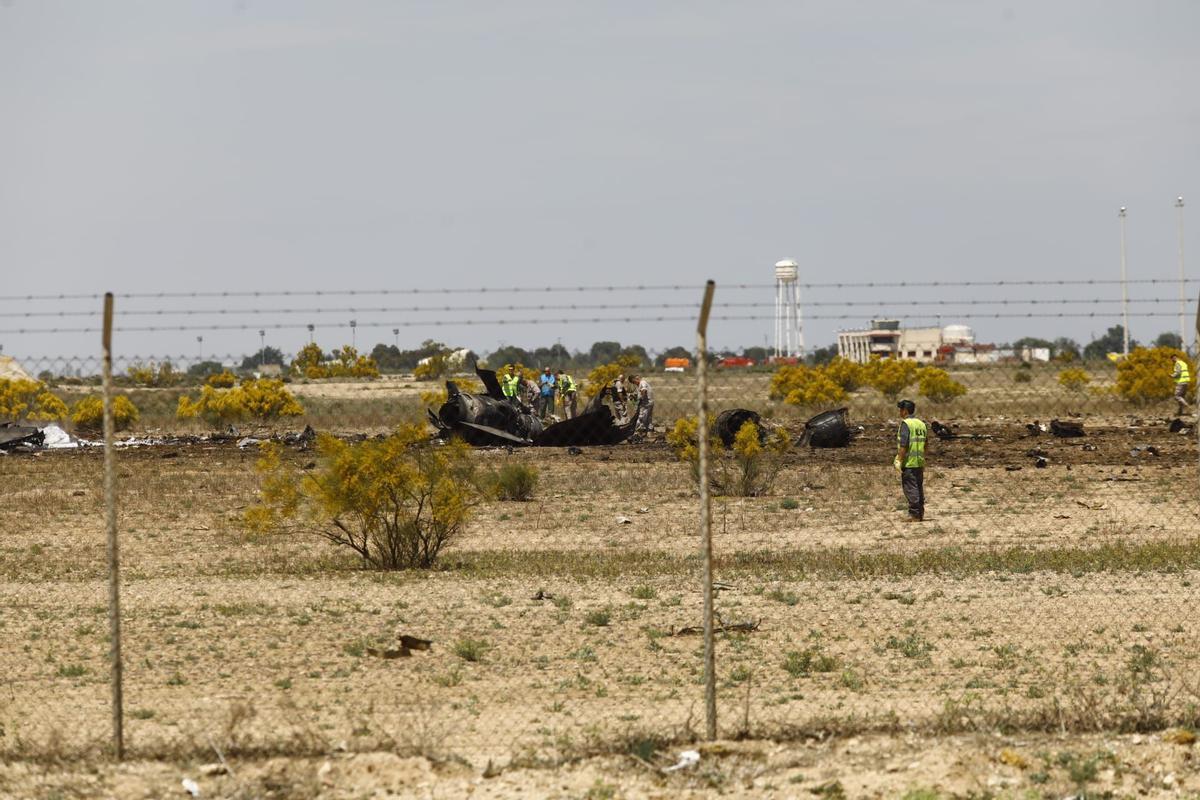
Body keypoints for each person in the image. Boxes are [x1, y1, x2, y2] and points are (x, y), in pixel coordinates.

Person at [894, 398, 927, 522]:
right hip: (919, 462)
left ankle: (914, 515)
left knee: (910, 488)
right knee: (918, 487)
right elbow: (926, 444)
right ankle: (920, 513)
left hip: (909, 463)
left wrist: (899, 460)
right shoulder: (921, 424)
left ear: (905, 411)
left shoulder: (906, 424)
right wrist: (923, 458)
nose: (900, 412)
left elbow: (904, 444)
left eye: (901, 409)